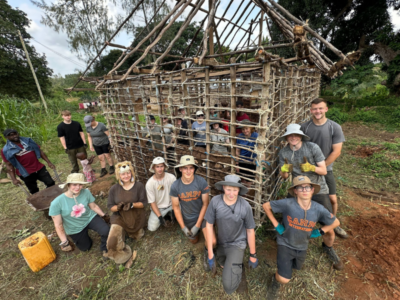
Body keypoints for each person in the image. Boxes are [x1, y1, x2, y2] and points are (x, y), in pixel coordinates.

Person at [262, 176, 340, 300]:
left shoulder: (318, 208)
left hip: (302, 245)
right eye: (300, 187)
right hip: (285, 242)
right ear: (295, 191)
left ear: (312, 190)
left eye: (307, 187)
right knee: (284, 278)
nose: (304, 190)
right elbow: (266, 206)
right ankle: (275, 281)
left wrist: (319, 231)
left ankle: (284, 270)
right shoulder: (288, 204)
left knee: (296, 267)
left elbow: (335, 222)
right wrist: (277, 226)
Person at [278, 123, 343, 270]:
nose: (293, 137)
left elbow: (324, 171)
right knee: (291, 219)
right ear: (287, 137)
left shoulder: (312, 147)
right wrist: (284, 171)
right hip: (297, 188)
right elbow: (284, 176)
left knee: (329, 223)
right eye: (290, 135)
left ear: (301, 136)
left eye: (296, 135)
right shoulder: (284, 153)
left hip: (317, 188)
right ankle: (289, 240)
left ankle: (328, 247)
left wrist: (311, 168)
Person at [301, 98, 347, 239]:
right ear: (311, 110)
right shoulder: (305, 127)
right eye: (314, 109)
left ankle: (333, 222)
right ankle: (303, 222)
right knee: (305, 196)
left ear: (326, 109)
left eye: (320, 108)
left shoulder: (334, 127)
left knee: (332, 198)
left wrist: (322, 167)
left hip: (326, 168)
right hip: (307, 169)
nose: (317, 111)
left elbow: (336, 151)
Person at [205, 174, 258, 294]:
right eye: (228, 189)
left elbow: (250, 230)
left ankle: (238, 269)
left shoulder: (245, 206)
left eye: (235, 190)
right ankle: (233, 264)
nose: (231, 193)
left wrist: (253, 254)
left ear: (239, 190)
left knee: (228, 287)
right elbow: (209, 225)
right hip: (221, 241)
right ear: (223, 187)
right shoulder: (215, 202)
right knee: (222, 264)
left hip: (237, 244)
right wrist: (210, 253)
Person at [170, 155, 216, 270]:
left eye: (191, 168)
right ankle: (197, 233)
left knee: (213, 242)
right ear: (180, 169)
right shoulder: (175, 186)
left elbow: (206, 204)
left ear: (194, 168)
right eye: (185, 168)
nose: (188, 171)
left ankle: (207, 252)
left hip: (203, 216)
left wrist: (198, 225)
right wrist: (183, 227)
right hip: (188, 218)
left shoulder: (201, 182)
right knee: (194, 241)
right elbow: (176, 207)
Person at [49, 173, 110, 253]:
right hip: (74, 227)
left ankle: (104, 248)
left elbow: (94, 207)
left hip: (89, 218)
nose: (78, 187)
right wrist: (64, 242)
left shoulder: (86, 192)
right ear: (68, 184)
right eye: (74, 184)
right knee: (86, 247)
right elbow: (58, 225)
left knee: (106, 230)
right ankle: (84, 237)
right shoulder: (56, 203)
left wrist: (104, 216)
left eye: (80, 184)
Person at [105, 161, 147, 263]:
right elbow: (111, 207)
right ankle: (121, 252)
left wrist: (132, 205)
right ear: (119, 175)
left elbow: (144, 203)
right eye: (123, 174)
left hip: (135, 217)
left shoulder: (139, 186)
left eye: (128, 173)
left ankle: (127, 233)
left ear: (132, 173)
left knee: (138, 236)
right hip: (120, 218)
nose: (126, 176)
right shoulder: (114, 189)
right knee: (111, 243)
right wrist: (118, 207)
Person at [1, 129, 55, 194]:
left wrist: (49, 162)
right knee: (34, 190)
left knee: (51, 183)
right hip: (25, 173)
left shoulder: (28, 141)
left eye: (15, 133)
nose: (14, 136)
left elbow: (40, 151)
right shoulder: (6, 150)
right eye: (11, 135)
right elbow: (9, 165)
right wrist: (14, 179)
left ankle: (51, 197)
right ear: (6, 137)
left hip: (39, 167)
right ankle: (40, 201)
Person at [146, 157, 176, 231]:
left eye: (161, 166)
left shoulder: (171, 178)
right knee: (152, 228)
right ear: (153, 167)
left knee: (184, 215)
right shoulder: (150, 183)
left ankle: (170, 214)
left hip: (172, 204)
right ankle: (164, 216)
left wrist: (174, 209)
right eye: (157, 167)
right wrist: (160, 217)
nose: (160, 169)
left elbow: (175, 195)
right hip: (159, 207)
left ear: (164, 167)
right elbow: (152, 202)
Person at [236, 120, 258, 185]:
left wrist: (262, 162)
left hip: (252, 162)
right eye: (243, 129)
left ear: (250, 128)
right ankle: (244, 193)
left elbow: (261, 149)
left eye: (246, 128)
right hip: (242, 161)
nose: (245, 131)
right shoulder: (240, 137)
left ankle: (248, 192)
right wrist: (237, 164)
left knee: (249, 180)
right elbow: (237, 150)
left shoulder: (256, 136)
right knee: (242, 179)